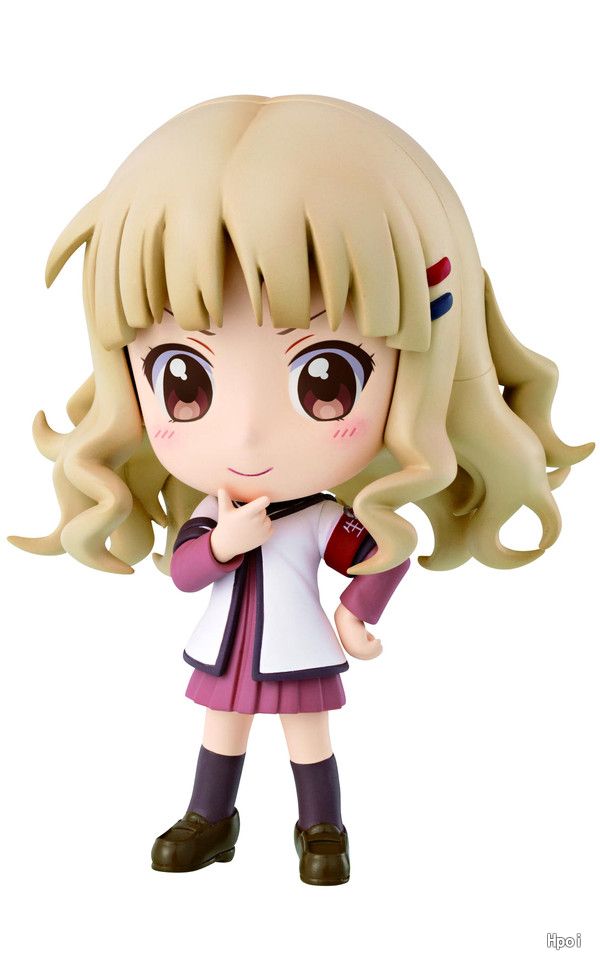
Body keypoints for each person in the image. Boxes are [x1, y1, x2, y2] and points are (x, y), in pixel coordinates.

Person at [9, 94, 592, 885]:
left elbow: (384, 555)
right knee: (221, 727)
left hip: (296, 647)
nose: (248, 435)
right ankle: (209, 817)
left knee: (308, 735)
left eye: (325, 379)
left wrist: (356, 612)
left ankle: (322, 829)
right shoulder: (214, 510)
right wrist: (221, 543)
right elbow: (186, 571)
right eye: (184, 380)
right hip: (227, 647)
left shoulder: (321, 517)